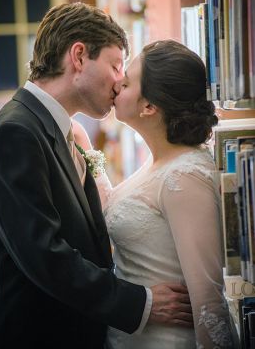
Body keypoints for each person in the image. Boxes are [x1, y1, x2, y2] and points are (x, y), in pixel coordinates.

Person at [0, 3, 193, 349]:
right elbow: (44, 254)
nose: (120, 82)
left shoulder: (57, 127)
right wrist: (140, 302)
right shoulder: (16, 132)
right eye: (116, 66)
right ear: (79, 56)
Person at [74, 40, 235, 348]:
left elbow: (208, 301)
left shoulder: (184, 177)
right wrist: (86, 149)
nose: (117, 82)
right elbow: (123, 208)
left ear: (149, 106)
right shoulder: (158, 162)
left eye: (128, 80)